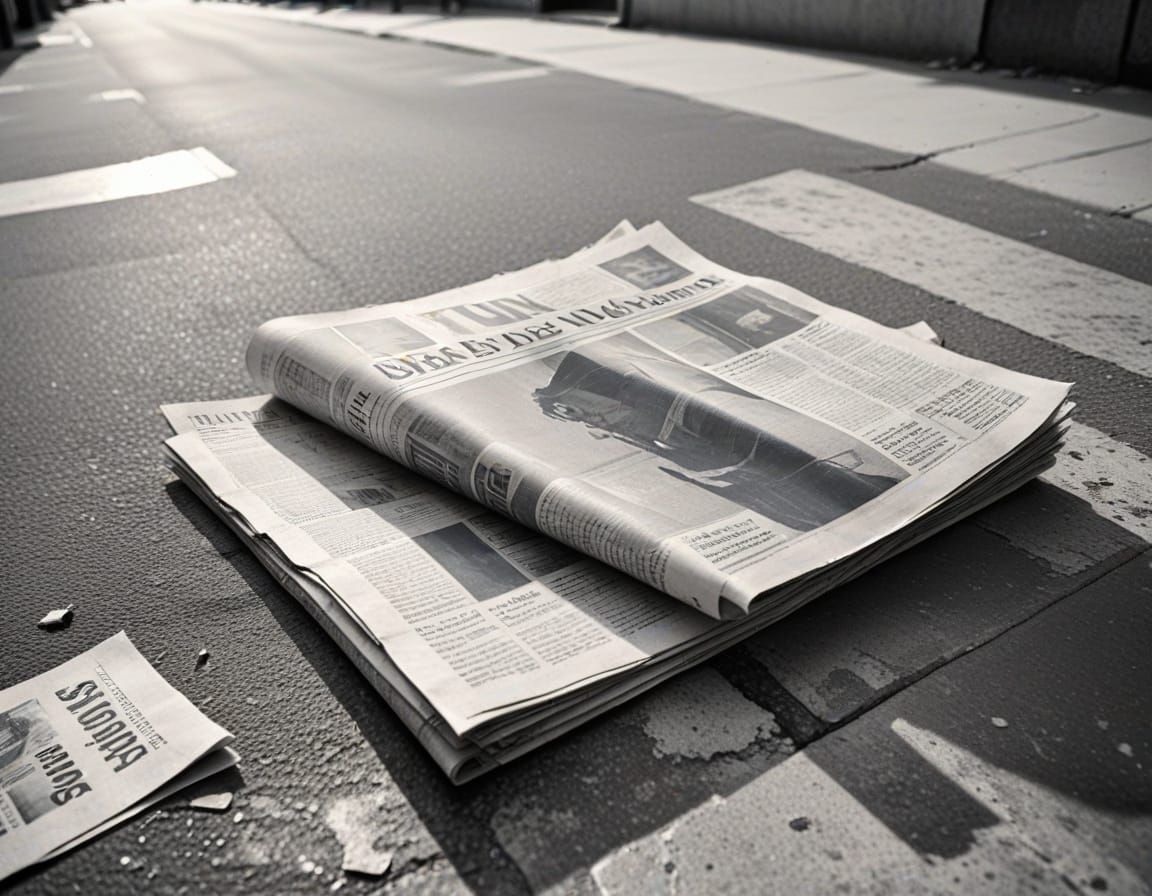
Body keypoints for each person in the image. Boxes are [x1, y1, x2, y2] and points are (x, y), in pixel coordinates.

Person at [534, 339, 904, 532]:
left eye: (590, 411)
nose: (597, 426)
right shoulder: (668, 432)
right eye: (584, 418)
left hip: (846, 495)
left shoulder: (699, 412)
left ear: (627, 392)